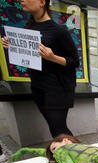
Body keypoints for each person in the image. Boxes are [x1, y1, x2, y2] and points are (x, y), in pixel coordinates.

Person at [1, 0, 79, 137]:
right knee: (54, 128)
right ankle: (64, 153)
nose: (21, 1)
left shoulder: (59, 31)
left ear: (42, 2)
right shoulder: (29, 28)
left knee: (59, 130)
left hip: (58, 89)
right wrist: (12, 45)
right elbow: (28, 58)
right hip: (38, 86)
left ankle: (79, 154)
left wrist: (52, 57)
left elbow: (74, 61)